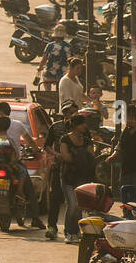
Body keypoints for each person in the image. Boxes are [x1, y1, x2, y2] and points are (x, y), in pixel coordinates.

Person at [0, 102, 44, 228]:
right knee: (29, 189)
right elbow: (29, 141)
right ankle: (35, 218)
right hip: (14, 164)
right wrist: (37, 150)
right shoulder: (18, 125)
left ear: (0, 112)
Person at [42, 99, 79, 241]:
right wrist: (56, 154)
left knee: (75, 202)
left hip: (75, 169)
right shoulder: (55, 127)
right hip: (58, 168)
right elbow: (46, 146)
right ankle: (52, 227)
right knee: (55, 197)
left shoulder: (80, 128)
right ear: (64, 113)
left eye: (74, 112)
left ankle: (73, 229)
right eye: (69, 112)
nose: (71, 115)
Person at [57, 111, 96, 243]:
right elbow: (65, 157)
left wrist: (78, 155)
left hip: (83, 178)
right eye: (82, 124)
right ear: (75, 126)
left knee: (79, 206)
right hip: (68, 177)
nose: (84, 126)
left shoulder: (87, 140)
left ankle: (76, 231)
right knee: (72, 205)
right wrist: (81, 155)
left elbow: (91, 156)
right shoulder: (65, 139)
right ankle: (69, 232)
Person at [109, 103, 136, 201]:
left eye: (126, 117)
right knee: (125, 197)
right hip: (125, 170)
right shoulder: (126, 131)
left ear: (132, 117)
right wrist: (112, 157)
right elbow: (120, 146)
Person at [38, 23, 72, 93]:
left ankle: (48, 92)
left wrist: (40, 67)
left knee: (44, 76)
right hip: (63, 74)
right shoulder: (69, 46)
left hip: (49, 74)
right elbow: (71, 60)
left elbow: (44, 59)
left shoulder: (50, 45)